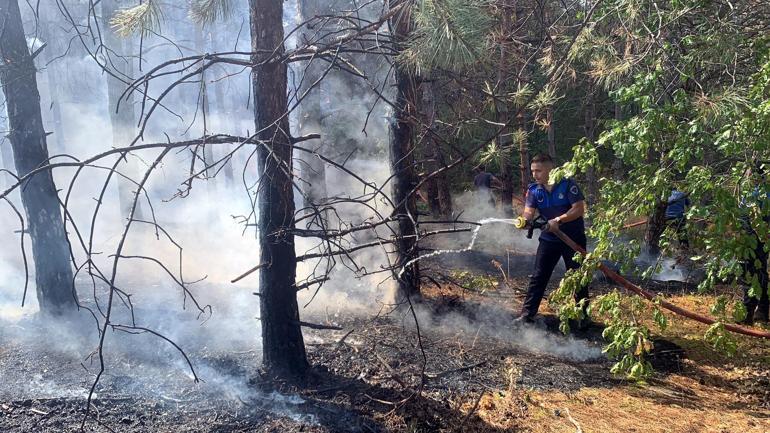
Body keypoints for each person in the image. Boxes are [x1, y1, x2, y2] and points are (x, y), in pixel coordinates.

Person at [514, 154, 589, 327]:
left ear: (550, 169)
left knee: (577, 277)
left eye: (538, 171)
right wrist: (524, 221)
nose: (534, 175)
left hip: (573, 239)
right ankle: (527, 315)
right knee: (538, 276)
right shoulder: (534, 190)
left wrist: (559, 220)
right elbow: (528, 211)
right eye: (532, 171)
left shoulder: (568, 184)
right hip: (549, 239)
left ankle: (583, 317)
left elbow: (578, 209)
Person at [739, 186, 769, 325]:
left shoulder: (750, 194)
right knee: (761, 271)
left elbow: (742, 218)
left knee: (748, 274)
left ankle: (748, 313)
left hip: (750, 240)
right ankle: (762, 311)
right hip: (763, 240)